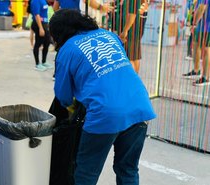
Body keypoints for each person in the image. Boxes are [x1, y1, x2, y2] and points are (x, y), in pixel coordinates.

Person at [49, 9, 156, 185]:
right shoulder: (109, 35)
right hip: (140, 106)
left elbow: (63, 96)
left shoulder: (67, 49)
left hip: (105, 113)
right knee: (128, 170)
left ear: (59, 33)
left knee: (86, 173)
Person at [182, 0, 210, 86]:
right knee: (196, 44)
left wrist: (194, 23)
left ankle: (206, 77)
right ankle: (196, 70)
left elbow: (201, 8)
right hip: (201, 25)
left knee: (206, 49)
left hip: (206, 26)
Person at [120, 0, 149, 73]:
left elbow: (132, 14)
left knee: (130, 58)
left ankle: (132, 79)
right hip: (136, 28)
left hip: (132, 29)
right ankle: (135, 79)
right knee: (134, 57)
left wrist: (125, 31)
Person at [30, 0, 54, 71]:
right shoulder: (35, 1)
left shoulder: (43, 0)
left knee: (47, 42)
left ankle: (44, 61)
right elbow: (37, 15)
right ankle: (37, 64)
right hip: (38, 24)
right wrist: (40, 28)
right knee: (38, 43)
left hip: (45, 23)